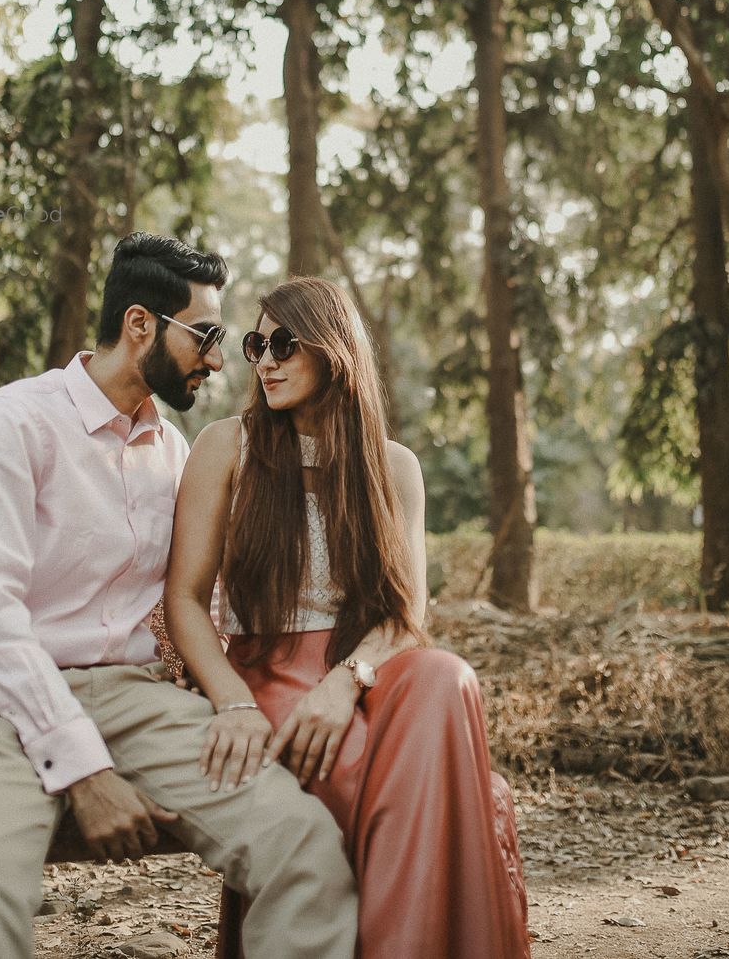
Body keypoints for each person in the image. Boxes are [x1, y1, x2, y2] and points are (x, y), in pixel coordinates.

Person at [0, 235, 358, 959]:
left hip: (138, 700)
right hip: (2, 703)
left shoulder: (176, 452)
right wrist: (84, 769)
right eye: (209, 336)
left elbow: (198, 597)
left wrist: (238, 699)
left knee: (303, 847)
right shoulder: (11, 425)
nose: (220, 360)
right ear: (140, 324)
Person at [164, 276, 531, 959]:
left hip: (366, 671)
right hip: (261, 676)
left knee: (446, 677)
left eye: (283, 343)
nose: (264, 360)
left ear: (334, 351)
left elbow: (405, 614)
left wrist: (344, 682)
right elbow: (183, 600)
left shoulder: (393, 467)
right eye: (254, 344)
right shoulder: (226, 448)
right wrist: (231, 700)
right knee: (411, 776)